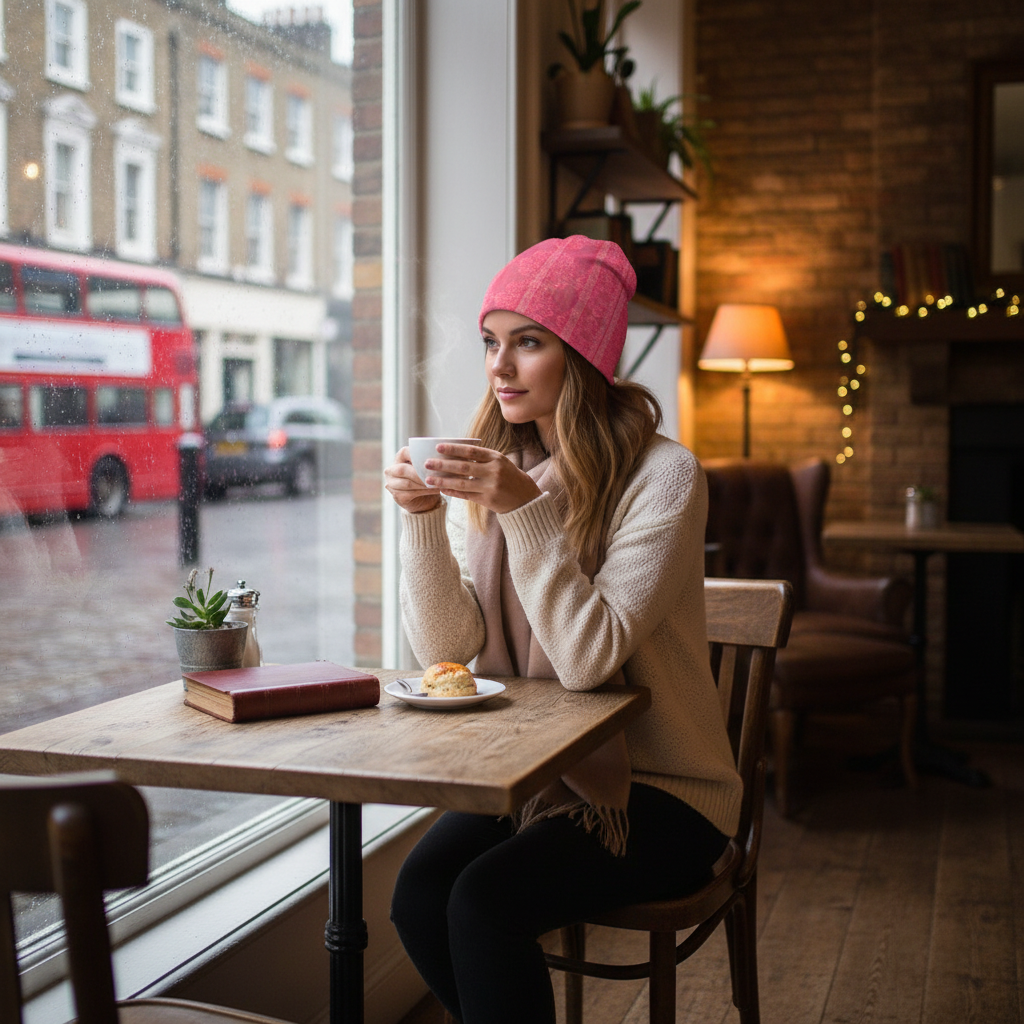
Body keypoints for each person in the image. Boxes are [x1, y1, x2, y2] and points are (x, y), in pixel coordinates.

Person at [383, 235, 741, 1024]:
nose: (499, 367)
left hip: (664, 790)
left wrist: (524, 512)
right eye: (490, 343)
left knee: (482, 903)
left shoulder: (664, 475)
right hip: (538, 770)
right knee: (418, 897)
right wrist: (421, 523)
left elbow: (587, 658)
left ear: (580, 356)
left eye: (528, 343)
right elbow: (448, 651)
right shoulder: (498, 464)